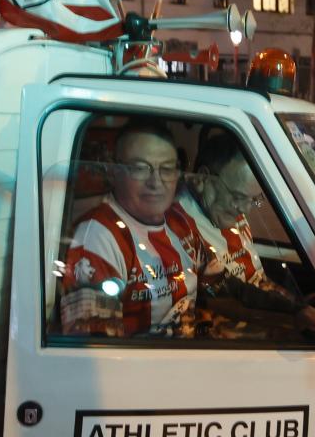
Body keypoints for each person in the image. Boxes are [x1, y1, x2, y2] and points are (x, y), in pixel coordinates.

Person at [60, 119, 209, 338]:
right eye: (140, 168)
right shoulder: (98, 236)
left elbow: (212, 281)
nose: (156, 182)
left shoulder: (180, 219)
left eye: (166, 169)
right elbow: (95, 346)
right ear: (113, 172)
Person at [175, 131, 315, 337]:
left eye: (253, 199)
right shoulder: (178, 227)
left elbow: (254, 276)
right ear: (203, 178)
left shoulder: (226, 207)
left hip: (263, 318)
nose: (245, 210)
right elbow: (226, 292)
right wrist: (293, 311)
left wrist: (296, 304)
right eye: (238, 197)